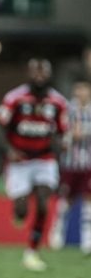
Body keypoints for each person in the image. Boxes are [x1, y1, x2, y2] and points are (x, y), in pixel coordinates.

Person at [0, 58, 68, 271]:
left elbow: (63, 132)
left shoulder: (59, 102)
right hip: (20, 161)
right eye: (36, 73)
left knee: (44, 203)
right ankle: (19, 211)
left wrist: (59, 147)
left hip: (44, 159)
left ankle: (32, 252)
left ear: (49, 75)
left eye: (43, 73)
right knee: (22, 209)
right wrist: (9, 150)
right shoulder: (15, 98)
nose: (39, 77)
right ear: (29, 74)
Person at [51, 79, 91, 255]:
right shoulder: (67, 110)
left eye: (84, 89)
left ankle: (87, 240)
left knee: (88, 202)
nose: (81, 92)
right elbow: (58, 134)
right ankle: (56, 234)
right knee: (65, 200)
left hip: (88, 164)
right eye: (78, 89)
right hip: (70, 164)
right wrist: (70, 137)